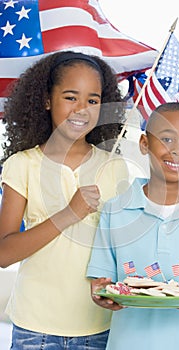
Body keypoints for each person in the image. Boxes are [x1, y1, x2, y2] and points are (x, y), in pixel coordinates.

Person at [0, 51, 129, 349]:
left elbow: (122, 248)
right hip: (36, 327)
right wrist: (70, 213)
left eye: (93, 100)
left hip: (99, 326)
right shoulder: (23, 165)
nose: (81, 109)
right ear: (47, 100)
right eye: (71, 97)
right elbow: (4, 254)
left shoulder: (114, 167)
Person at [87, 102, 179, 350]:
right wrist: (101, 292)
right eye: (166, 139)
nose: (177, 150)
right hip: (127, 342)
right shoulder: (116, 209)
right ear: (144, 144)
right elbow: (103, 279)